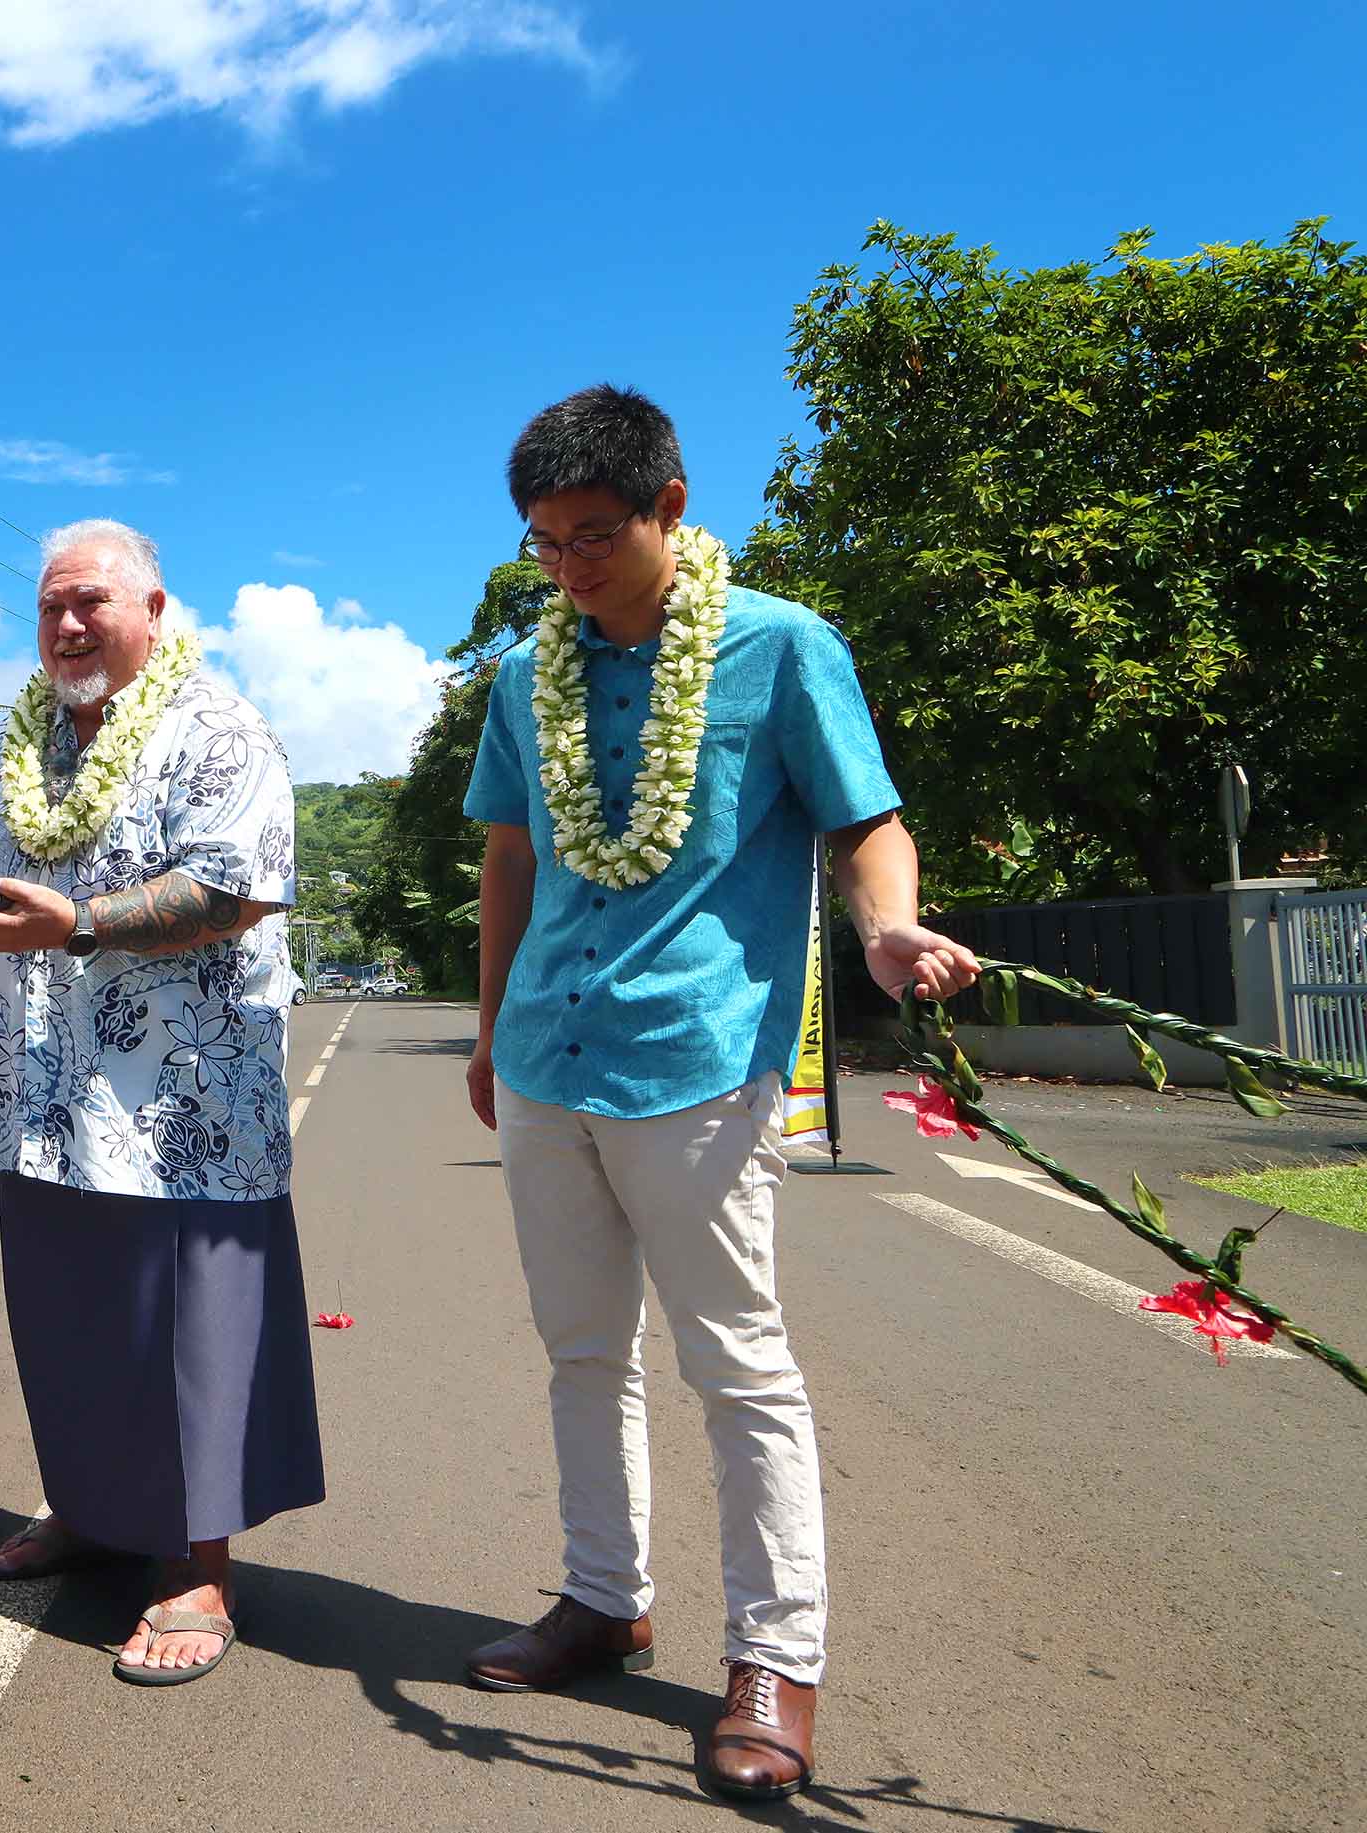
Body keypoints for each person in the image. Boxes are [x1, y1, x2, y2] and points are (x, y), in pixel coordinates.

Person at [458, 385, 980, 1799]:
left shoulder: (783, 647)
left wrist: (884, 930)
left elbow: (867, 818)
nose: (567, 565)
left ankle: (775, 1658)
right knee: (579, 1349)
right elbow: (509, 856)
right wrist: (491, 1022)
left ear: (673, 507)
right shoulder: (526, 674)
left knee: (736, 1365)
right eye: (543, 540)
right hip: (544, 1058)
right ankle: (601, 1594)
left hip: (695, 1058)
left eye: (595, 534)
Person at [0, 518, 323, 1688]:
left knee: (189, 1338)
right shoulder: (7, 741)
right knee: (68, 1328)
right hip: (42, 1097)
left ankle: (199, 1565)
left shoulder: (219, 732)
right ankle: (90, 1510)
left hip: (184, 1107)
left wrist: (76, 921)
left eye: (92, 603)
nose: (68, 625)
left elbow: (233, 889)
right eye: (50, 606)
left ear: (155, 611)